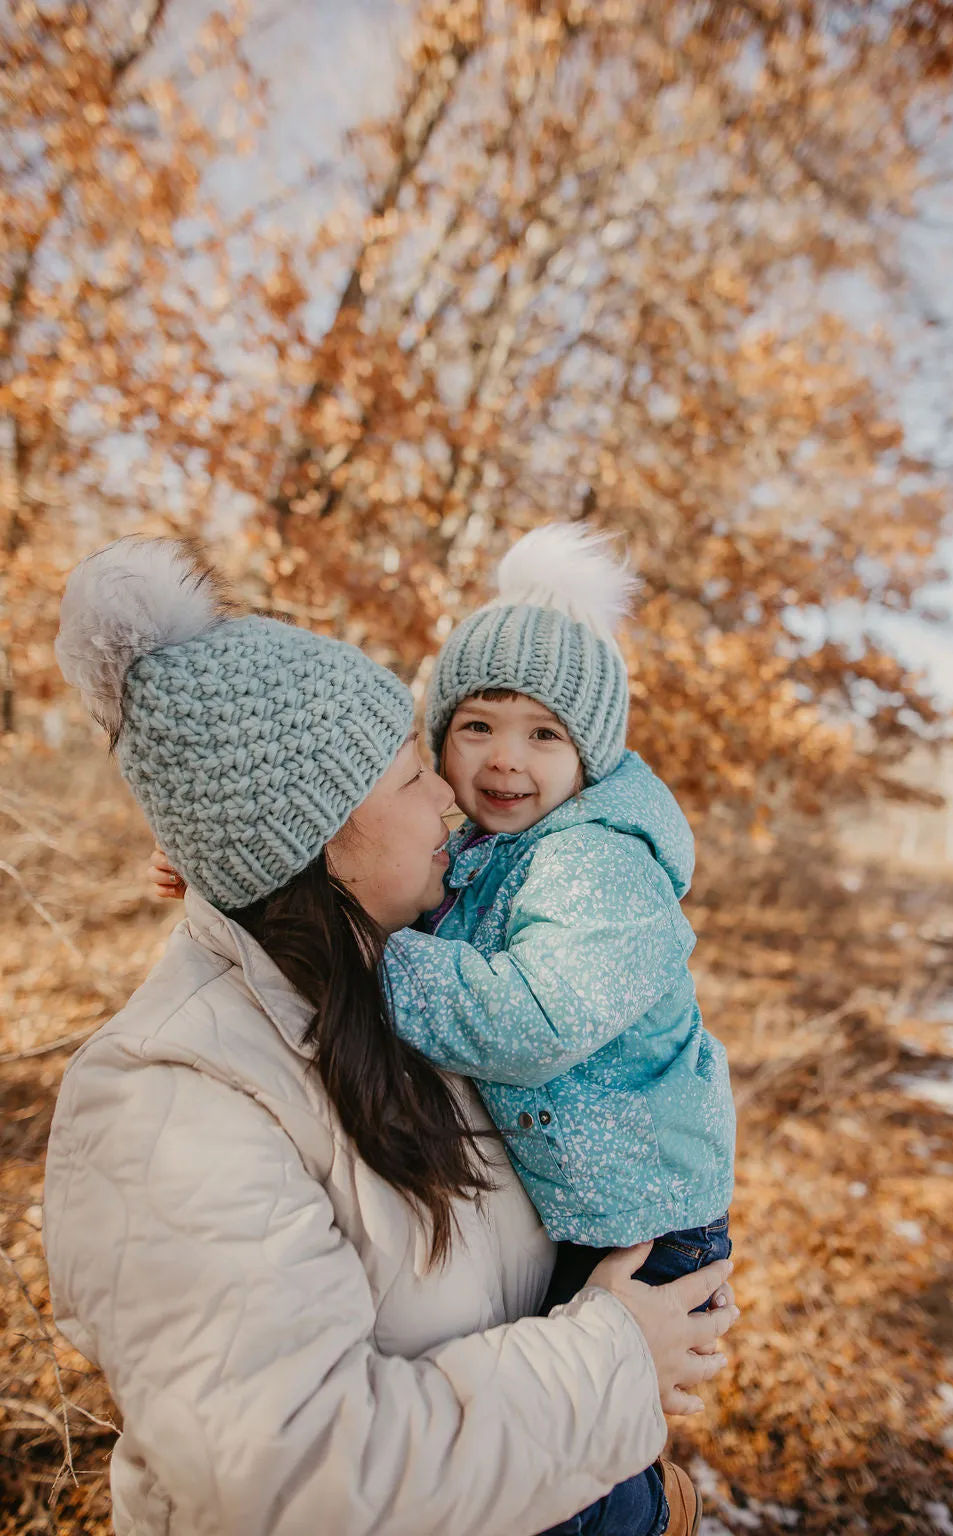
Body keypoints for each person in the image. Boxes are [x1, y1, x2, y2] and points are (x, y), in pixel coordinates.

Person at [48, 536, 739, 1536]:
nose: (456, 797)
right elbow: (298, 1476)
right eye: (421, 769)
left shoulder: (396, 967)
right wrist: (612, 1365)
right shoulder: (170, 1103)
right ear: (321, 836)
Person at [374, 523, 735, 1315]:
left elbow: (533, 1021)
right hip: (567, 1201)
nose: (506, 758)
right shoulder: (483, 839)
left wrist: (369, 952)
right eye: (478, 726)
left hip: (642, 1227)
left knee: (593, 1421)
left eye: (544, 734)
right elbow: (367, 861)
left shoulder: (597, 860)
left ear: (588, 758)